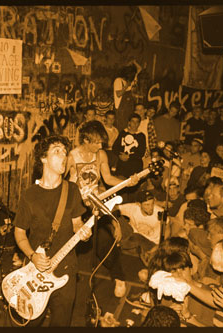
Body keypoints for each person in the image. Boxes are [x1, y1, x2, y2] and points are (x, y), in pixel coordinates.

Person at [13, 135, 92, 327]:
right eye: (57, 151)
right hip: (35, 271)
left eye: (65, 152)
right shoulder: (29, 195)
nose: (63, 156)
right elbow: (20, 232)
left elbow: (76, 223)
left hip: (66, 268)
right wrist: (32, 256)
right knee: (29, 321)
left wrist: (82, 230)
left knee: (61, 322)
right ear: (43, 158)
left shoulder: (71, 190)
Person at [111, 113, 146, 197]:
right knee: (121, 191)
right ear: (129, 122)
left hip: (135, 167)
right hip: (122, 167)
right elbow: (115, 148)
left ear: (139, 123)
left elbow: (141, 152)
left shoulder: (141, 136)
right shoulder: (123, 133)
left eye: (137, 122)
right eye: (133, 121)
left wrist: (129, 157)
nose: (134, 124)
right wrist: (120, 155)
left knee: (134, 192)